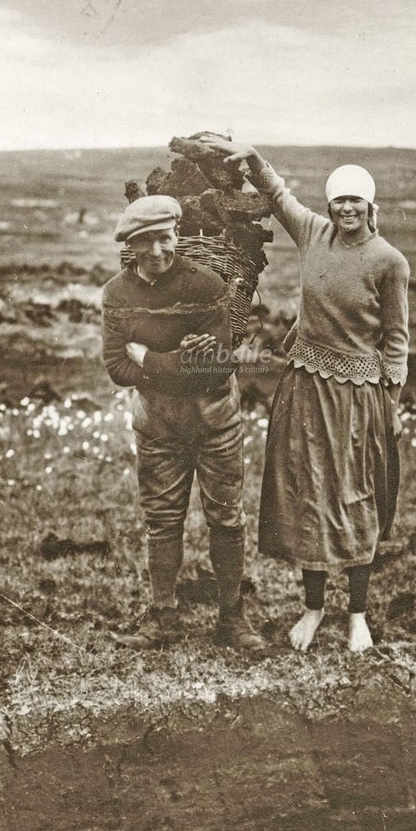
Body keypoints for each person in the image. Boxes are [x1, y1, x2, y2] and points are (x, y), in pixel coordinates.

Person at [199, 137, 409, 653]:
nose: (346, 209)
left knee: (356, 497)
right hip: (305, 387)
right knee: (309, 495)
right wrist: (251, 160)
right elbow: (278, 196)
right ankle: (313, 609)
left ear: (370, 206)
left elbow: (397, 343)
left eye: (355, 201)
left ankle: (357, 614)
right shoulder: (315, 234)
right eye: (339, 200)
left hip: (359, 396)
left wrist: (392, 408)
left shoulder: (390, 262)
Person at [101, 193, 263, 650]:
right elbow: (116, 367)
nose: (157, 251)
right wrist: (177, 364)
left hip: (215, 424)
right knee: (162, 520)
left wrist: (149, 358)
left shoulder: (206, 285)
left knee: (226, 518)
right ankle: (163, 617)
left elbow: (214, 367)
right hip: (158, 429)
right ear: (130, 245)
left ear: (178, 236)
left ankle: (232, 617)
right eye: (146, 242)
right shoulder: (117, 295)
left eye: (165, 238)